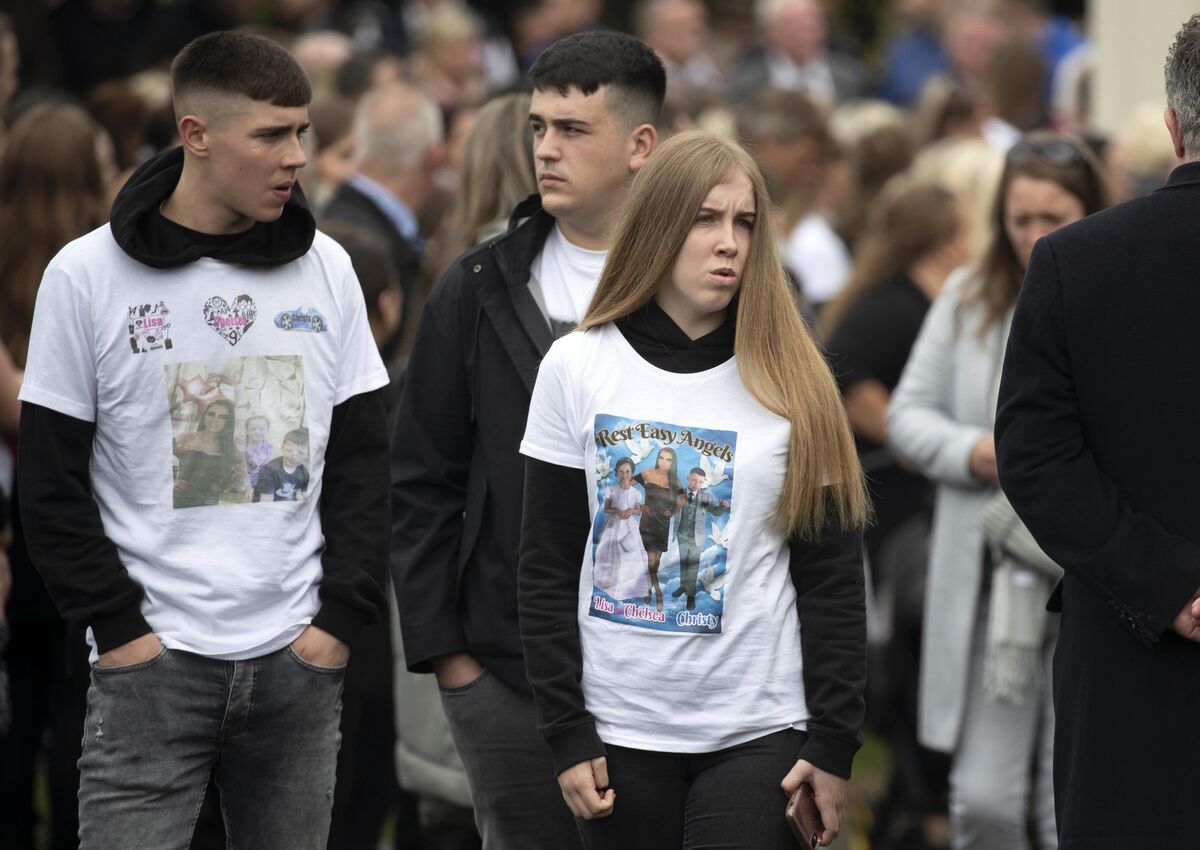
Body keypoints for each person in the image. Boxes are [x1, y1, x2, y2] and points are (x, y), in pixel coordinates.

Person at [16, 31, 391, 848]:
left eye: (301, 131)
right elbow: (48, 484)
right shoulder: (86, 277)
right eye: (270, 135)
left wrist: (336, 622)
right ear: (196, 135)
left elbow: (367, 461)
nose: (296, 155)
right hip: (149, 668)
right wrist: (119, 632)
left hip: (298, 660)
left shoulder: (328, 269)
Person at [518, 130, 869, 849]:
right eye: (706, 219)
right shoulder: (576, 367)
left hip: (759, 731)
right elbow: (545, 564)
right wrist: (565, 729)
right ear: (657, 225)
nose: (729, 243)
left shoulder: (797, 381)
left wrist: (834, 743)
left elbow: (831, 578)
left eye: (744, 222)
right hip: (618, 727)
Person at [391, 30, 664, 850]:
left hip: (669, 671)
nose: (546, 148)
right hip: (506, 674)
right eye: (539, 127)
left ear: (640, 145)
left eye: (573, 130)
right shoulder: (480, 284)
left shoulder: (705, 281)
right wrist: (451, 659)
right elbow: (422, 475)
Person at [994, 16, 1200, 848]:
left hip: (1129, 659)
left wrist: (1172, 587)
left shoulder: (1074, 262)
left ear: (1173, 125)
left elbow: (1036, 459)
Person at [887, 131, 1109, 850]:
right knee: (982, 796)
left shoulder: (1119, 287)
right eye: (1021, 219)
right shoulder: (967, 295)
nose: (1035, 236)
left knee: (1069, 799)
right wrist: (974, 453)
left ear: (1092, 209)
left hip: (1094, 579)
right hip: (995, 581)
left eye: (1054, 217)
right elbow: (905, 416)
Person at [631, 446, 682, 610]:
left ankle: (648, 589)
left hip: (663, 525)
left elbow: (683, 499)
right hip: (647, 523)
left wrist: (673, 511)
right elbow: (624, 487)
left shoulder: (675, 481)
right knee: (652, 560)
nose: (664, 462)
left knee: (656, 562)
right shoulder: (647, 473)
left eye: (668, 459)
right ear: (657, 458)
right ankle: (658, 593)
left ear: (672, 462)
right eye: (661, 458)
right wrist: (638, 505)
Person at [672, 466, 729, 610]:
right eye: (693, 480)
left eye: (700, 482)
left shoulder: (705, 497)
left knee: (693, 565)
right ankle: (683, 586)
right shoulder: (679, 494)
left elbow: (715, 511)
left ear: (703, 483)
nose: (696, 484)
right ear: (688, 478)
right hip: (682, 535)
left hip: (696, 537)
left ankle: (691, 595)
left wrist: (722, 507)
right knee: (684, 562)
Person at [593, 456, 648, 602]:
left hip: (629, 527)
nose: (624, 475)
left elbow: (638, 511)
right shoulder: (612, 490)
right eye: (621, 472)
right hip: (614, 526)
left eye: (627, 472)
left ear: (632, 474)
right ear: (616, 473)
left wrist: (631, 511)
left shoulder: (636, 493)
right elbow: (606, 508)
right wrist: (618, 510)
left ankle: (630, 590)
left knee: (630, 556)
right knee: (612, 555)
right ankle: (610, 587)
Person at [173, 398, 245, 508]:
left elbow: (239, 474)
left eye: (222, 417)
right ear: (205, 415)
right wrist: (171, 482)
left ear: (228, 421)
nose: (215, 419)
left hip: (208, 503)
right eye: (211, 414)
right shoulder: (186, 438)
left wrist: (224, 485)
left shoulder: (229, 447)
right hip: (179, 501)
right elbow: (156, 456)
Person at [252, 428, 311, 503]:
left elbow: (306, 494)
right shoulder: (269, 470)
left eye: (301, 453)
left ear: (308, 455)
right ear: (282, 448)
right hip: (266, 504)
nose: (294, 456)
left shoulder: (304, 472)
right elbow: (265, 502)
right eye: (289, 450)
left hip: (286, 502)